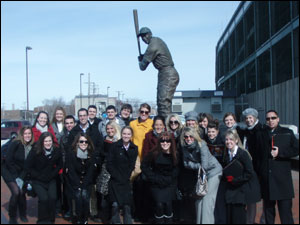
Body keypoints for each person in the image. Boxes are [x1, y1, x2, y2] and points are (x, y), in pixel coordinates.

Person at [258, 110, 299, 224]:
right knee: (269, 214)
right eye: (268, 119)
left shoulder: (287, 132)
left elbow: (296, 149)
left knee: (286, 214)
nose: (270, 121)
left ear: (278, 119)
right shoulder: (262, 133)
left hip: (283, 181)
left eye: (273, 118)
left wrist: (281, 153)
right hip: (267, 180)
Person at [179, 127, 222, 224]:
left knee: (207, 200)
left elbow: (205, 166)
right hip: (201, 175)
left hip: (214, 172)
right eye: (186, 137)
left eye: (191, 136)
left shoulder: (202, 144)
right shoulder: (184, 147)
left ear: (195, 137)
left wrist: (193, 164)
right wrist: (197, 165)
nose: (188, 139)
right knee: (199, 199)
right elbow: (185, 164)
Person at [137, 27, 179, 118]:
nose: (144, 38)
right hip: (164, 73)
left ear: (150, 34)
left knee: (163, 102)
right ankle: (164, 125)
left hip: (168, 73)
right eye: (142, 37)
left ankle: (167, 127)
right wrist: (143, 56)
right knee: (161, 103)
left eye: (145, 35)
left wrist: (141, 60)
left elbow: (142, 66)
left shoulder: (153, 45)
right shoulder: (157, 41)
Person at [223, 129, 260, 224]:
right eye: (226, 139)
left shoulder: (243, 153)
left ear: (236, 140)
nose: (228, 142)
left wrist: (235, 180)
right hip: (235, 185)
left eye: (231, 139)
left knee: (241, 214)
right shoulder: (227, 154)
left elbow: (249, 172)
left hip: (245, 185)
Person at [25, 132, 62, 224]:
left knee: (53, 198)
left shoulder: (56, 150)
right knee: (44, 199)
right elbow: (28, 166)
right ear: (42, 142)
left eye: (49, 141)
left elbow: (60, 164)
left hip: (51, 178)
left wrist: (53, 174)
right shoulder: (35, 151)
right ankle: (42, 220)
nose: (48, 143)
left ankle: (51, 218)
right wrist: (38, 176)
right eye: (45, 141)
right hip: (38, 179)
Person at [141, 132, 178, 224]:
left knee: (168, 205)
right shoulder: (154, 153)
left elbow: (177, 169)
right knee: (159, 205)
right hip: (156, 182)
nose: (165, 143)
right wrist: (152, 177)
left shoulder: (176, 154)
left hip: (169, 183)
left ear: (171, 142)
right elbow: (144, 165)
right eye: (162, 141)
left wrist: (170, 178)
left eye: (167, 141)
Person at [106, 126, 138, 224]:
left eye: (128, 134)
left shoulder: (134, 148)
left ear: (131, 135)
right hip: (115, 180)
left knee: (127, 205)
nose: (126, 136)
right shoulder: (114, 146)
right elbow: (109, 164)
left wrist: (125, 177)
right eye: (124, 133)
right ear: (121, 134)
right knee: (115, 205)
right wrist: (117, 176)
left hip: (126, 181)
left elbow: (132, 165)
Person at [4, 126, 34, 224]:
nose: (27, 136)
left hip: (21, 172)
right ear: (21, 134)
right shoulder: (15, 143)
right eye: (25, 134)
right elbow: (8, 160)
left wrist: (21, 177)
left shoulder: (32, 146)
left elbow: (28, 164)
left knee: (22, 193)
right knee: (16, 192)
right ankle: (12, 217)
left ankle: (22, 214)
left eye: (29, 133)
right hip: (8, 170)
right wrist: (16, 177)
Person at [66, 133, 97, 224]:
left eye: (86, 141)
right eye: (81, 141)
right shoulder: (71, 154)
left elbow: (91, 171)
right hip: (75, 181)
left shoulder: (91, 154)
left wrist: (84, 184)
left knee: (85, 196)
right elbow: (71, 171)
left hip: (86, 181)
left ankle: (85, 219)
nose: (84, 143)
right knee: (78, 196)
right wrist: (78, 184)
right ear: (77, 143)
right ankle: (78, 218)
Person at [129, 103, 153, 222]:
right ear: (139, 112)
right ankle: (137, 213)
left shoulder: (152, 124)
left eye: (146, 112)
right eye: (142, 111)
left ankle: (147, 214)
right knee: (137, 189)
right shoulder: (133, 124)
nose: (144, 114)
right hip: (137, 160)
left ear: (149, 113)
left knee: (147, 189)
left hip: (148, 160)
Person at [240, 108, 264, 224]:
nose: (248, 120)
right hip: (248, 168)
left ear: (255, 118)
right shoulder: (247, 131)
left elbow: (260, 154)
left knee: (253, 198)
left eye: (250, 118)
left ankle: (252, 220)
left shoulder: (259, 131)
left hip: (256, 169)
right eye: (247, 118)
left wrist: (258, 171)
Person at [96, 121, 121, 222]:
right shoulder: (104, 141)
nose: (110, 131)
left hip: (116, 171)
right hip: (105, 171)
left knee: (114, 198)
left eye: (112, 129)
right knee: (104, 198)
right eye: (108, 129)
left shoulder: (120, 141)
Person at [59, 115, 76, 220]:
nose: (69, 125)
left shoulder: (79, 135)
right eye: (67, 123)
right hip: (67, 167)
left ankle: (77, 211)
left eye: (71, 123)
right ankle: (69, 210)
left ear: (74, 123)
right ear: (65, 125)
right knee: (68, 190)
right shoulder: (63, 137)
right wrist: (66, 166)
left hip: (78, 166)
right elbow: (63, 153)